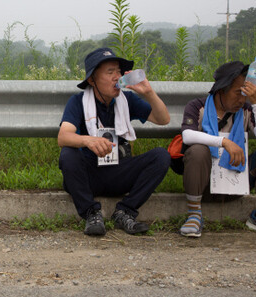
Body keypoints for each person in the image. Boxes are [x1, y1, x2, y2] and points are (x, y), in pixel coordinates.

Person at [58, 47, 171, 236]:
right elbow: (63, 136)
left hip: (119, 170)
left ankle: (125, 211)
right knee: (68, 154)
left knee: (161, 156)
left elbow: (163, 119)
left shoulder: (126, 100)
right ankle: (91, 213)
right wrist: (88, 141)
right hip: (89, 176)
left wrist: (149, 93)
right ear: (92, 79)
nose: (116, 77)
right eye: (110, 72)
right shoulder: (78, 101)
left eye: (118, 71)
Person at [179, 61, 256, 238]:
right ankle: (194, 215)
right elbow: (187, 135)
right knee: (197, 151)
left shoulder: (246, 110)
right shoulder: (197, 107)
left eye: (245, 94)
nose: (242, 99)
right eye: (237, 93)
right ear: (221, 90)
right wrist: (225, 142)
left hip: (236, 182)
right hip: (203, 186)